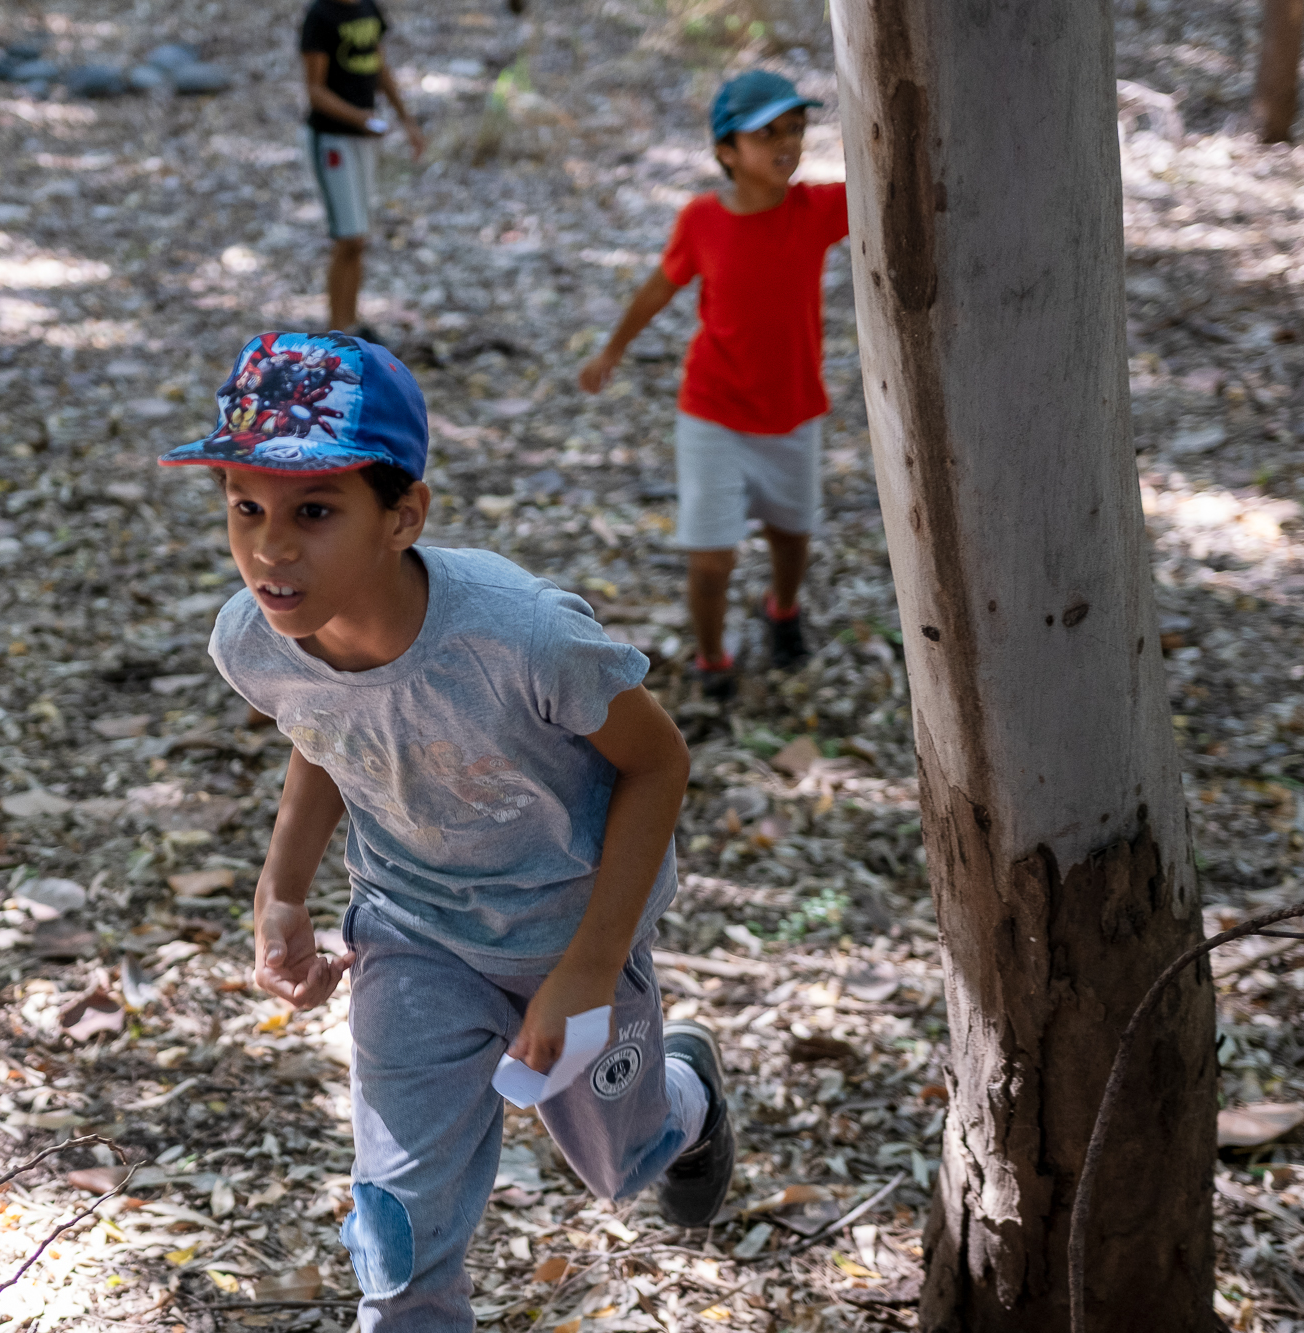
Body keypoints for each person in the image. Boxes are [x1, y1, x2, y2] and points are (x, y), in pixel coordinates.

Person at [160, 331, 736, 1331]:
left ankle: (686, 1094)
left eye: (312, 511)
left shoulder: (523, 639)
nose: (269, 546)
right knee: (398, 1224)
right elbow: (327, 734)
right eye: (243, 508)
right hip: (410, 934)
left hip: (567, 929)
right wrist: (280, 891)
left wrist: (592, 965)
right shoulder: (254, 640)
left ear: (402, 516)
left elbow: (657, 762)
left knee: (619, 1162)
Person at [578, 69, 849, 702]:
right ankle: (711, 660)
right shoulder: (703, 219)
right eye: (766, 133)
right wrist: (612, 350)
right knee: (710, 560)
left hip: (793, 412)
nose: (787, 142)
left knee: (792, 536)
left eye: (796, 128)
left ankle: (782, 610)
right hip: (714, 411)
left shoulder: (818, 209)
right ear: (726, 151)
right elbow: (660, 286)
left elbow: (893, 178)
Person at [300, 0, 424, 340]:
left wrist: (406, 120)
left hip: (364, 138)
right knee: (349, 236)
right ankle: (336, 328)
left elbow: (378, 65)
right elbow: (315, 90)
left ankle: (350, 325)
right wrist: (362, 119)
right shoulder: (320, 16)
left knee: (359, 238)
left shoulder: (368, 10)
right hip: (332, 139)